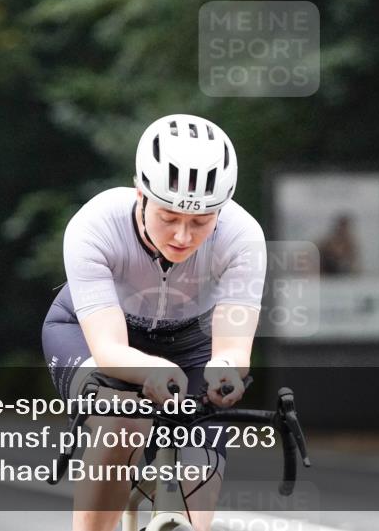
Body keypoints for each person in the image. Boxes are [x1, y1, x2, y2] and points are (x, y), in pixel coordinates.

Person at [42, 114, 266, 531]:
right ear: (140, 193)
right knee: (124, 423)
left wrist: (225, 372)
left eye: (201, 222)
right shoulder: (96, 224)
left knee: (198, 477)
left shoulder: (242, 237)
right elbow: (109, 350)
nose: (182, 236)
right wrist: (153, 369)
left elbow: (232, 348)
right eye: (169, 216)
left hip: (190, 344)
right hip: (93, 334)